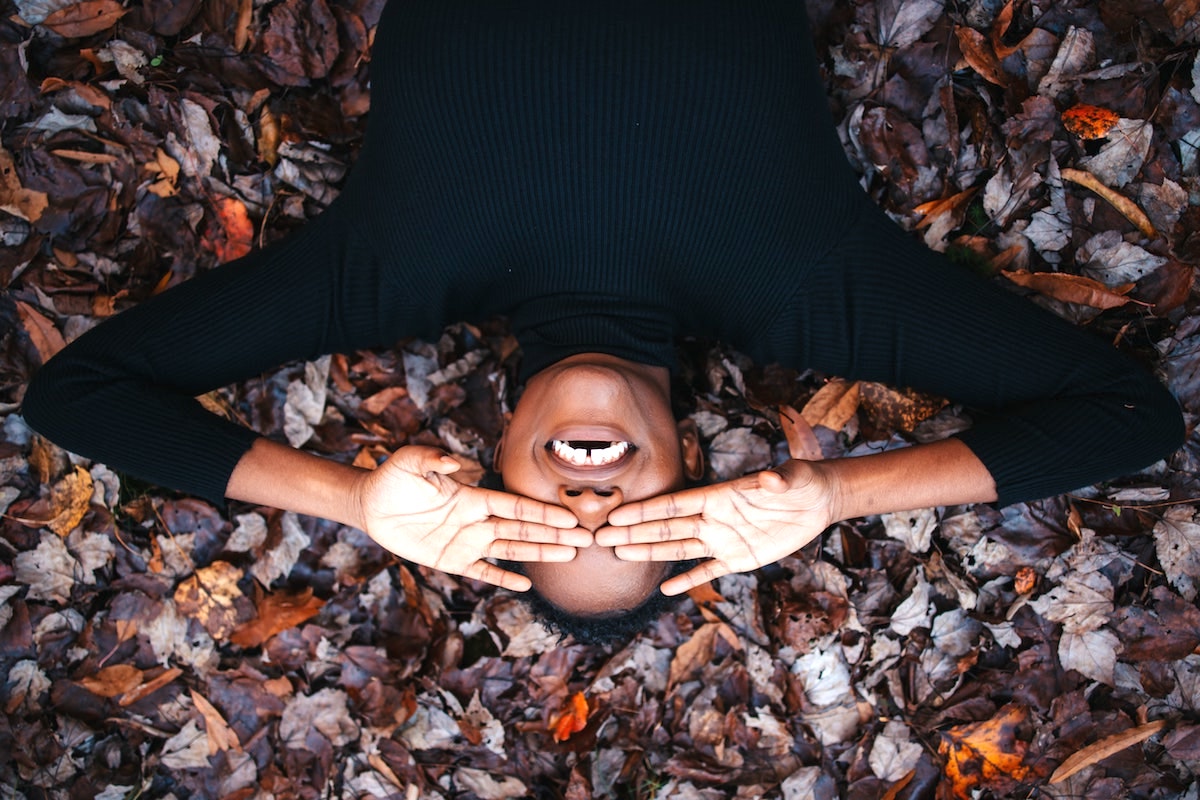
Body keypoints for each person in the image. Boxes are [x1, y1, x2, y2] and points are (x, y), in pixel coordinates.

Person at [22, 0, 1183, 643]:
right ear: (694, 471)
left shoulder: (384, 273)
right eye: (631, 531)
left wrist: (348, 500)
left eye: (540, 530)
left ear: (483, 471)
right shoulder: (807, 289)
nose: (587, 503)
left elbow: (77, 395)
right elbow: (1123, 416)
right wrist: (836, 492)